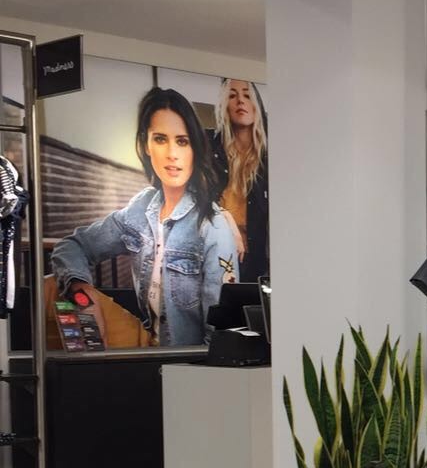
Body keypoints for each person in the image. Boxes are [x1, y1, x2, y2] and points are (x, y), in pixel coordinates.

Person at [52, 87, 238, 347]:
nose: (172, 153)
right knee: (52, 289)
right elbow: (73, 246)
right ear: (146, 145)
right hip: (149, 346)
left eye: (182, 141)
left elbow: (220, 333)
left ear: (194, 148)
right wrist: (81, 288)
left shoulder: (212, 226)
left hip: (185, 361)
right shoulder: (140, 209)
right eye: (160, 139)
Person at [210, 78, 269, 283]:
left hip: (260, 262)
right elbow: (196, 199)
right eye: (232, 96)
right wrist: (225, 217)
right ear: (224, 105)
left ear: (256, 104)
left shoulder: (269, 157)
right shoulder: (210, 150)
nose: (240, 101)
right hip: (219, 255)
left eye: (246, 95)